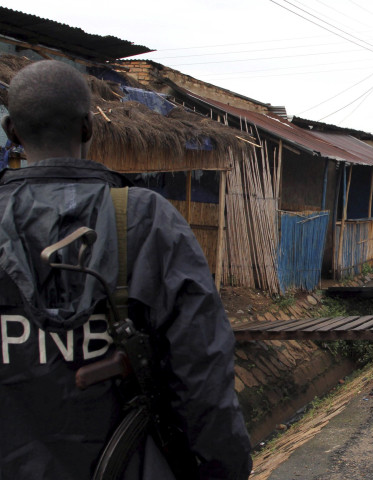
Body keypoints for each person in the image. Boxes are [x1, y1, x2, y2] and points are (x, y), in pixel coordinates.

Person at [0, 61, 252, 479]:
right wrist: (224, 469)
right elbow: (202, 372)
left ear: (11, 132)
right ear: (88, 127)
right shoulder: (146, 219)